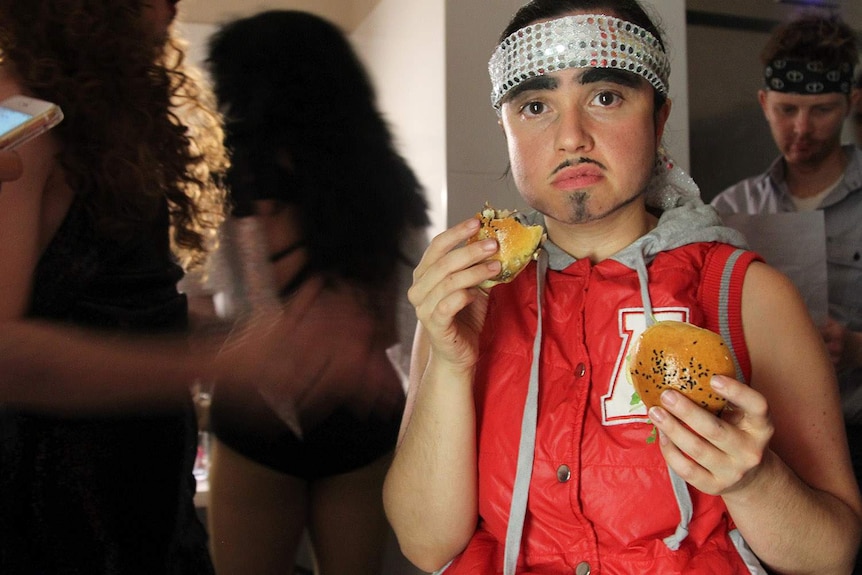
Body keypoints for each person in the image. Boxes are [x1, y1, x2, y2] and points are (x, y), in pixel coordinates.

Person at [383, 1, 862, 574]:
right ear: (506, 129)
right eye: (535, 105)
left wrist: (755, 481)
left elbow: (831, 555)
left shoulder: (749, 296)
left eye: (605, 98)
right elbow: (425, 544)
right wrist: (452, 362)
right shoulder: (467, 299)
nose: (571, 137)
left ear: (659, 118)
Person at [0, 1, 386, 573]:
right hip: (61, 518)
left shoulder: (96, 128)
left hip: (144, 500)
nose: (170, 9)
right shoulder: (23, 122)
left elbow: (117, 308)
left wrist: (241, 340)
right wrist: (228, 363)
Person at [202, 10, 430, 575]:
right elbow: (407, 316)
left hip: (259, 409)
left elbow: (214, 297)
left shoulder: (237, 179)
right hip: (362, 409)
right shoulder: (386, 181)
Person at [709, 13, 862, 573]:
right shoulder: (731, 210)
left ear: (851, 103)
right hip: (771, 444)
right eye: (786, 110)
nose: (802, 127)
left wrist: (857, 348)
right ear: (763, 102)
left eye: (821, 110)